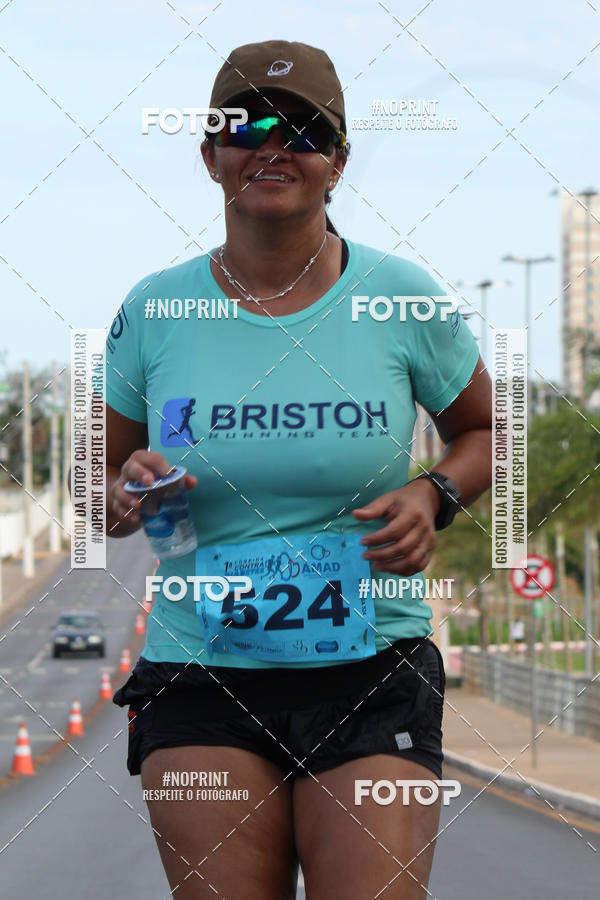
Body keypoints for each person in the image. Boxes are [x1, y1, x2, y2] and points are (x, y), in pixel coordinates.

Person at [106, 39, 492, 899]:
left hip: (371, 670)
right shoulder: (154, 309)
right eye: (244, 127)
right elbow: (97, 484)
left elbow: (484, 432)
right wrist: (124, 494)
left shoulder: (402, 296)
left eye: (305, 132)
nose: (273, 147)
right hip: (201, 670)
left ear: (338, 163)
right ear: (209, 155)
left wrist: (434, 493)